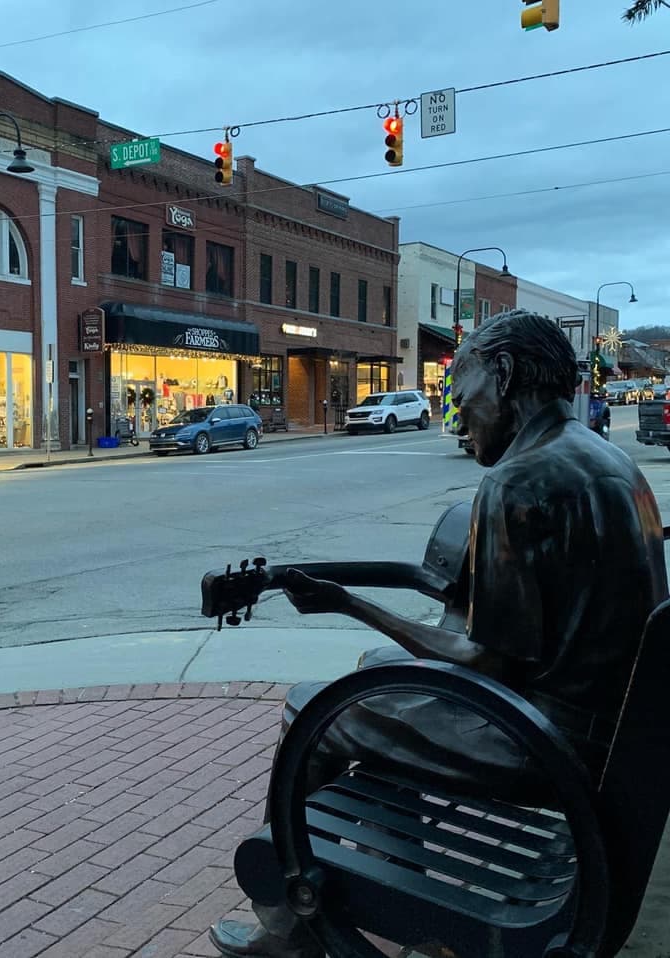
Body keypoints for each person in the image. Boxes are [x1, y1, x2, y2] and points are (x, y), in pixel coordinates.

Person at [210, 310, 668, 958]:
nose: (457, 409)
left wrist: (347, 602)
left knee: (312, 705)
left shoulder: (519, 479)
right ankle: (405, 874)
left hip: (543, 743)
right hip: (610, 731)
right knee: (378, 667)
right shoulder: (608, 461)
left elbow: (486, 666)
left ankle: (287, 925)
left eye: (464, 385)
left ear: (504, 375)